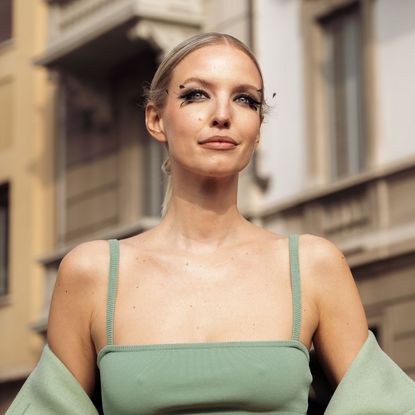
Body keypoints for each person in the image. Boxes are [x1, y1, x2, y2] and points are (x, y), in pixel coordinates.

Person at [7, 32, 415, 415]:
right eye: (197, 95)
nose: (223, 115)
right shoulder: (93, 273)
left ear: (257, 131)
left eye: (246, 100)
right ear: (156, 120)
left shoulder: (312, 266)